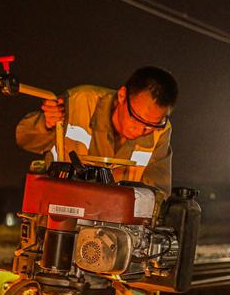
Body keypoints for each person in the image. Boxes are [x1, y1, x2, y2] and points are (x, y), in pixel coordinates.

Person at [16, 66, 178, 200]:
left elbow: (158, 192)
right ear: (122, 96)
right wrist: (47, 124)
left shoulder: (160, 131)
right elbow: (24, 138)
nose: (142, 130)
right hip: (62, 218)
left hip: (120, 229)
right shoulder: (78, 102)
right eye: (136, 118)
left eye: (151, 125)